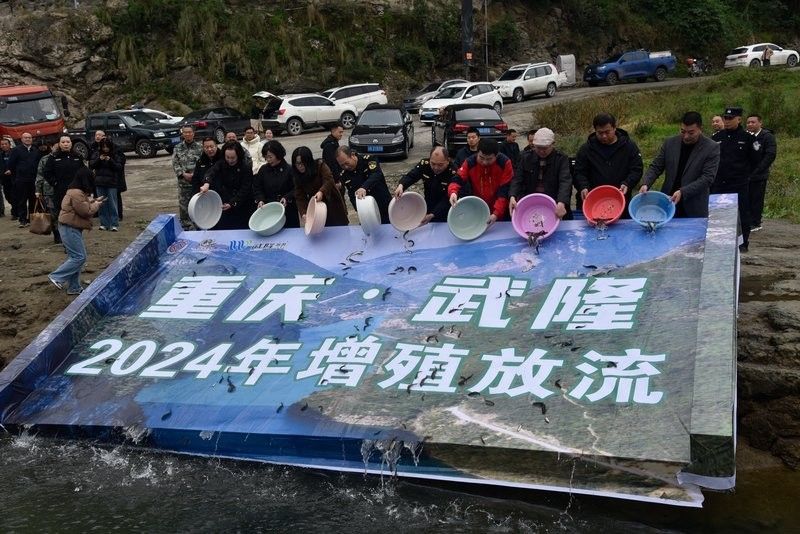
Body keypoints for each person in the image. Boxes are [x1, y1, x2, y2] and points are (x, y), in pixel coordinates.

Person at [640, 111, 720, 218]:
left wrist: (683, 192)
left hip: (694, 207)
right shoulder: (670, 143)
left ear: (700, 129)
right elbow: (656, 167)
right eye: (683, 131)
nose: (686, 136)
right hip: (668, 203)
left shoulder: (711, 147)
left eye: (691, 133)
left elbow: (707, 178)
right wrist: (646, 183)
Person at [573, 113, 643, 217]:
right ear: (595, 130)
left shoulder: (629, 146)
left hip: (621, 199)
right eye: (600, 133)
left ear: (614, 128)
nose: (604, 136)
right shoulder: (586, 149)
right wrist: (583, 186)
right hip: (594, 203)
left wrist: (628, 183)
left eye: (607, 132)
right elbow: (579, 172)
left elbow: (637, 169)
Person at [48, 167, 104, 296]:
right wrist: (97, 205)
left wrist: (94, 200)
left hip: (71, 227)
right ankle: (56, 276)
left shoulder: (76, 191)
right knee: (79, 257)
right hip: (69, 227)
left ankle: (74, 287)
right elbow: (86, 211)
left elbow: (82, 205)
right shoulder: (76, 193)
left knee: (75, 257)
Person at [712, 106, 757, 252]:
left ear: (739, 119)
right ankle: (719, 241)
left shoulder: (748, 138)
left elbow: (756, 160)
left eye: (730, 118)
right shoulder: (716, 138)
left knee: (742, 214)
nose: (727, 121)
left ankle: (742, 243)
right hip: (719, 182)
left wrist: (748, 176)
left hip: (739, 183)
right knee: (718, 213)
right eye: (725, 118)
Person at [509, 127, 573, 220]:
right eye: (538, 148)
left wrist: (562, 201)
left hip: (554, 202)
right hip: (531, 203)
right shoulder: (525, 157)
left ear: (553, 144)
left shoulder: (561, 159)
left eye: (545, 148)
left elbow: (565, 181)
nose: (541, 151)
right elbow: (517, 179)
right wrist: (512, 196)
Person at [449, 138, 513, 225]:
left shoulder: (504, 163)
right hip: (478, 207)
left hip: (500, 208)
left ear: (496, 155)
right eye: (481, 157)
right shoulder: (470, 162)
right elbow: (458, 178)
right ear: (477, 152)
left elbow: (504, 189)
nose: (484, 162)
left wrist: (496, 213)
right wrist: (453, 192)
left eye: (489, 159)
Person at [395, 146, 456, 224]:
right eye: (433, 164)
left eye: (440, 165)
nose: (436, 168)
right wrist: (401, 185)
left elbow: (447, 199)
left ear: (448, 161)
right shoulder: (424, 164)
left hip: (446, 210)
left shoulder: (453, 173)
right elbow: (412, 176)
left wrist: (433, 214)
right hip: (428, 204)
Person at [199, 141, 253, 230]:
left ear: (238, 156)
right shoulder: (221, 163)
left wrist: (232, 203)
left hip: (241, 205)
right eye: (227, 157)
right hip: (224, 203)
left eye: (233, 158)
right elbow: (211, 172)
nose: (230, 160)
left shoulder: (245, 167)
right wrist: (206, 183)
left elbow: (245, 189)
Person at [292, 145, 349, 227]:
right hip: (316, 207)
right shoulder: (297, 176)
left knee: (339, 227)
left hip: (332, 202)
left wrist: (321, 191)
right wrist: (303, 213)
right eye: (297, 164)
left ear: (308, 161)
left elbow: (329, 179)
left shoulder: (320, 165)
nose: (300, 166)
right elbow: (299, 196)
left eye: (302, 163)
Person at [335, 146, 393, 223]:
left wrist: (364, 188)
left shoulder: (369, 160)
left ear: (352, 155)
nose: (346, 166)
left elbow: (376, 174)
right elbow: (351, 193)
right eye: (342, 165)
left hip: (383, 205)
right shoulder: (344, 174)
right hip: (367, 212)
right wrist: (358, 209)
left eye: (347, 163)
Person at [44, 135, 85, 236]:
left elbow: (83, 172)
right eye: (63, 142)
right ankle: (62, 236)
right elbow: (47, 173)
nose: (66, 144)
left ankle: (76, 235)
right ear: (59, 144)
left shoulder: (77, 156)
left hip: (75, 191)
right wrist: (55, 183)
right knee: (62, 214)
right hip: (60, 192)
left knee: (76, 214)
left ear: (71, 143)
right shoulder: (53, 157)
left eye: (68, 142)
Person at [253, 140, 299, 228]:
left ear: (278, 154)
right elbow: (257, 187)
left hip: (288, 210)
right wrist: (260, 199)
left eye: (270, 157)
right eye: (266, 157)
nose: (268, 160)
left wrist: (287, 197)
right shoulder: (263, 170)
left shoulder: (289, 169)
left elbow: (297, 188)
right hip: (270, 212)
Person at [746, 114, 777, 232]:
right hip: (745, 174)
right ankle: (746, 220)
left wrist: (759, 169)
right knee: (746, 198)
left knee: (756, 199)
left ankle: (755, 222)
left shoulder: (767, 136)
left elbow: (770, 155)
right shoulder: (746, 136)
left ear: (760, 123)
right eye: (748, 122)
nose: (750, 124)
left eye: (753, 122)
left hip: (759, 174)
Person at [7, 132, 42, 227]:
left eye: (29, 138)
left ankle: (31, 219)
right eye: (25, 138)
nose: (28, 139)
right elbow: (11, 164)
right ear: (22, 139)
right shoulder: (16, 150)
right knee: (22, 200)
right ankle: (22, 220)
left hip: (33, 179)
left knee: (33, 200)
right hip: (21, 179)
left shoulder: (35, 150)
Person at [171, 125, 202, 229]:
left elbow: (203, 164)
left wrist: (196, 175)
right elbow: (175, 163)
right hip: (183, 183)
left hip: (197, 182)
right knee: (184, 207)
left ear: (193, 133)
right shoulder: (177, 148)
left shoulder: (200, 147)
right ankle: (186, 227)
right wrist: (183, 174)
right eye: (185, 132)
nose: (188, 134)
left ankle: (199, 225)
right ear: (182, 134)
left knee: (198, 205)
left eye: (189, 132)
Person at [89, 138, 124, 231]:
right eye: (103, 147)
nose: (105, 149)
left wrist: (110, 160)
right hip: (99, 182)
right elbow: (91, 164)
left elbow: (119, 167)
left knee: (112, 204)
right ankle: (104, 223)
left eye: (107, 147)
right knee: (101, 204)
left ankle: (114, 224)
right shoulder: (96, 154)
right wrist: (99, 159)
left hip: (111, 183)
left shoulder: (115, 154)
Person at [35, 142, 59, 243]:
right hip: (49, 191)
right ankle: (57, 234)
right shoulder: (45, 159)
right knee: (52, 213)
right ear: (51, 147)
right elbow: (40, 175)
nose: (58, 149)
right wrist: (38, 190)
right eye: (56, 146)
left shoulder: (68, 157)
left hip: (64, 190)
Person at [0, 137, 15, 218]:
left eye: (6, 144)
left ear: (9, 145)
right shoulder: (1, 154)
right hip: (4, 179)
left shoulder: (14, 153)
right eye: (2, 144)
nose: (4, 145)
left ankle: (15, 212)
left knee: (15, 195)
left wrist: (12, 170)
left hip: (14, 177)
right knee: (8, 196)